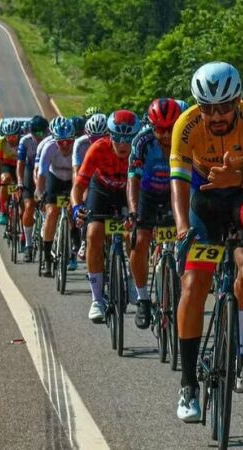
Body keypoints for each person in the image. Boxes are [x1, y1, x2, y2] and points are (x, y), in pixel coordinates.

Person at [171, 62, 243, 422]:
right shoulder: (186, 124)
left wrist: (239, 176)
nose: (216, 116)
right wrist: (183, 227)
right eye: (208, 108)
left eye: (224, 107)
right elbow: (179, 180)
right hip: (204, 199)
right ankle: (188, 386)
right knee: (194, 284)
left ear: (238, 101)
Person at [71, 110, 141, 322]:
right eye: (117, 138)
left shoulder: (140, 151)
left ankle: (132, 279)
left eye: (128, 139)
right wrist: (76, 207)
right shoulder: (98, 149)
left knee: (134, 234)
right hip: (100, 190)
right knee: (93, 234)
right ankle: (97, 299)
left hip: (129, 191)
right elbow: (78, 186)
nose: (123, 144)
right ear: (109, 136)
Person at [127, 98, 181, 329]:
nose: (167, 135)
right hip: (147, 194)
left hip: (176, 193)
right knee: (140, 241)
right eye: (160, 129)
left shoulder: (187, 137)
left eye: (171, 128)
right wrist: (132, 211)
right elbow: (133, 179)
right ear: (152, 126)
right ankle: (143, 298)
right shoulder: (142, 141)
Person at [36, 117, 76, 277]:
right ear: (55, 140)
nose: (65, 145)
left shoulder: (78, 147)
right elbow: (42, 175)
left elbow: (83, 176)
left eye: (69, 141)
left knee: (74, 211)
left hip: (73, 181)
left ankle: (73, 246)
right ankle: (47, 258)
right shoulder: (49, 147)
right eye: (61, 142)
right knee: (52, 213)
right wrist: (40, 196)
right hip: (55, 179)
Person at [73, 113, 109, 262]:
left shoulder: (115, 144)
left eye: (100, 138)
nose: (96, 142)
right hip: (87, 175)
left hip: (107, 178)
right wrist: (78, 203)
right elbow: (77, 174)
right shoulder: (80, 144)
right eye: (93, 139)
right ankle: (83, 240)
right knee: (86, 201)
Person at [16, 115, 49, 262]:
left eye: (40, 133)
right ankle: (28, 246)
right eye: (34, 132)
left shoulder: (50, 140)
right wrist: (19, 182)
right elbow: (20, 164)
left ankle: (46, 231)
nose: (37, 136)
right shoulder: (25, 141)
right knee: (29, 206)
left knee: (46, 207)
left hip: (47, 173)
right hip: (30, 172)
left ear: (46, 131)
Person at [0, 119, 22, 226]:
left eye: (13, 136)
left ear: (18, 135)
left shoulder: (23, 141)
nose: (11, 139)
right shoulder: (0, 142)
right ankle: (3, 210)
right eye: (8, 137)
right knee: (5, 179)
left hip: (19, 165)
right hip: (6, 165)